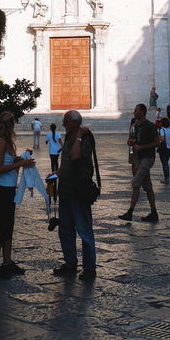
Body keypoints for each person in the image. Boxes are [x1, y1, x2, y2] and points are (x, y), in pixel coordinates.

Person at [0, 112, 35, 279]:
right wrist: (21, 163)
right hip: (3, 189)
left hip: (9, 188)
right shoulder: (1, 143)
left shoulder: (6, 143)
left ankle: (7, 262)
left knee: (8, 225)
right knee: (1, 226)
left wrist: (21, 157)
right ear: (10, 126)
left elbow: (9, 161)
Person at [53, 110, 97, 280]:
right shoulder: (69, 137)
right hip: (65, 190)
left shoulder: (84, 138)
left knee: (84, 231)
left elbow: (77, 156)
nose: (63, 124)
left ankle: (90, 268)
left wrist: (79, 135)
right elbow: (68, 161)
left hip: (78, 192)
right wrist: (58, 172)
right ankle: (70, 263)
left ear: (74, 122)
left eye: (65, 121)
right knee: (65, 230)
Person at [119, 103, 160, 222]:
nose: (134, 112)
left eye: (136, 110)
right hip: (139, 158)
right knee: (147, 187)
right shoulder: (135, 126)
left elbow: (157, 142)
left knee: (136, 182)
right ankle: (154, 213)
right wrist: (130, 144)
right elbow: (131, 140)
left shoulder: (150, 126)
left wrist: (142, 148)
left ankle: (130, 212)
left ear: (142, 112)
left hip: (148, 158)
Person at [157, 116, 170, 184]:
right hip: (169, 149)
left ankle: (166, 179)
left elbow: (162, 139)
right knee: (166, 163)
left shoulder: (161, 130)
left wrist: (159, 140)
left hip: (163, 149)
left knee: (164, 164)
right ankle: (166, 178)